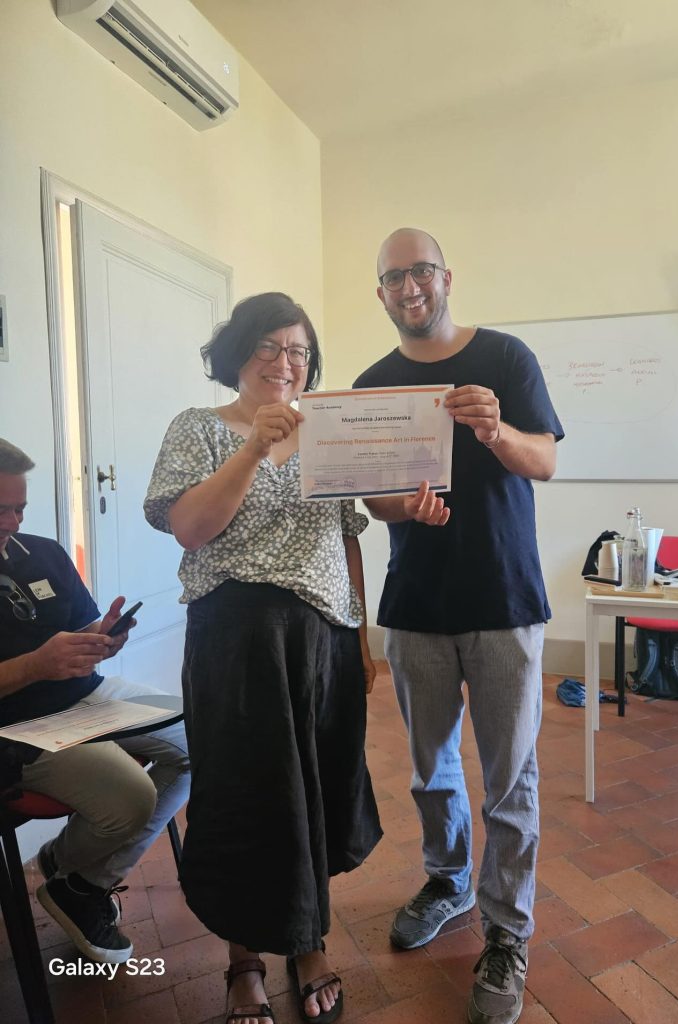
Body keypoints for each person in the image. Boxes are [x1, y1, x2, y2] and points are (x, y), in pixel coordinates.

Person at [144, 292, 381, 1024]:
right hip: (238, 642)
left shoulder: (326, 432)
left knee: (316, 790)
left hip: (323, 640)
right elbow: (191, 528)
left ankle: (307, 940)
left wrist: (361, 637)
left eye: (300, 351)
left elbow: (346, 539)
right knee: (247, 796)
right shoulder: (199, 429)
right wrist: (253, 447)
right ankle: (243, 957)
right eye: (270, 346)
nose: (286, 363)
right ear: (238, 353)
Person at [353, 229, 563, 1024]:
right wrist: (404, 507)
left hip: (505, 599)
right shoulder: (373, 384)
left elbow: (545, 461)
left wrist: (496, 431)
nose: (410, 287)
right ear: (381, 292)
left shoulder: (506, 358)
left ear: (447, 278)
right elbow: (372, 497)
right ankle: (448, 882)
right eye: (394, 277)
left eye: (422, 272)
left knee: (511, 777)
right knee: (430, 767)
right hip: (417, 604)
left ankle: (507, 929)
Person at [0, 438, 190, 965]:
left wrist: (100, 638)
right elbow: (38, 663)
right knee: (132, 798)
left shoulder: (41, 552)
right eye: (1, 511)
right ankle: (73, 873)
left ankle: (80, 882)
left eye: (20, 509)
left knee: (204, 740)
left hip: (84, 696)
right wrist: (35, 666)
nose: (13, 523)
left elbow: (79, 630)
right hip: (15, 728)